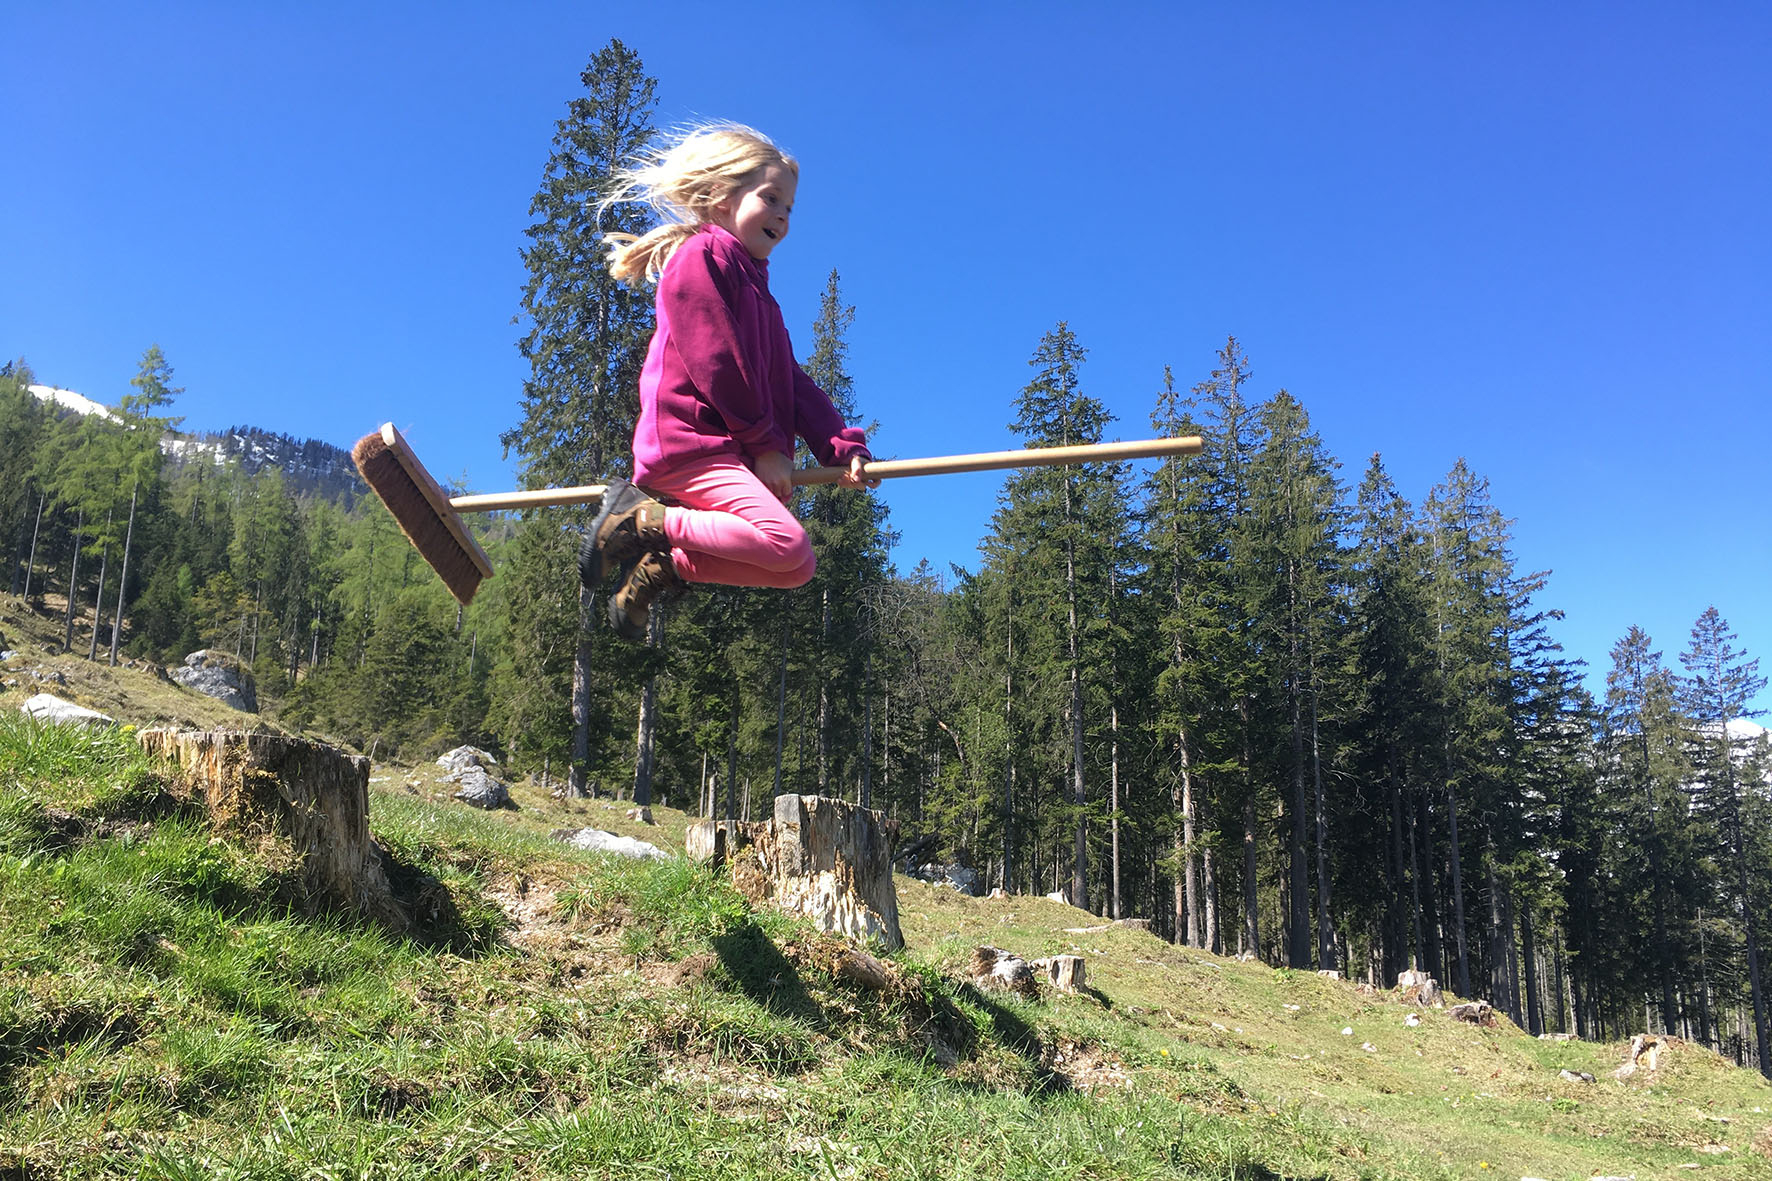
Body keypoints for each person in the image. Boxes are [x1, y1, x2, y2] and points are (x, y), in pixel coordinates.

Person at [582, 122, 876, 641]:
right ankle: (642, 520)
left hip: (728, 452)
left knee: (795, 568)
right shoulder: (700, 259)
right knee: (786, 545)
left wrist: (839, 448)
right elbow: (716, 361)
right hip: (689, 443)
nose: (784, 216)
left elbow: (792, 382)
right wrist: (765, 445)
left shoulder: (760, 295)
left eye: (790, 208)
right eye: (772, 199)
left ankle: (670, 565)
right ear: (721, 198)